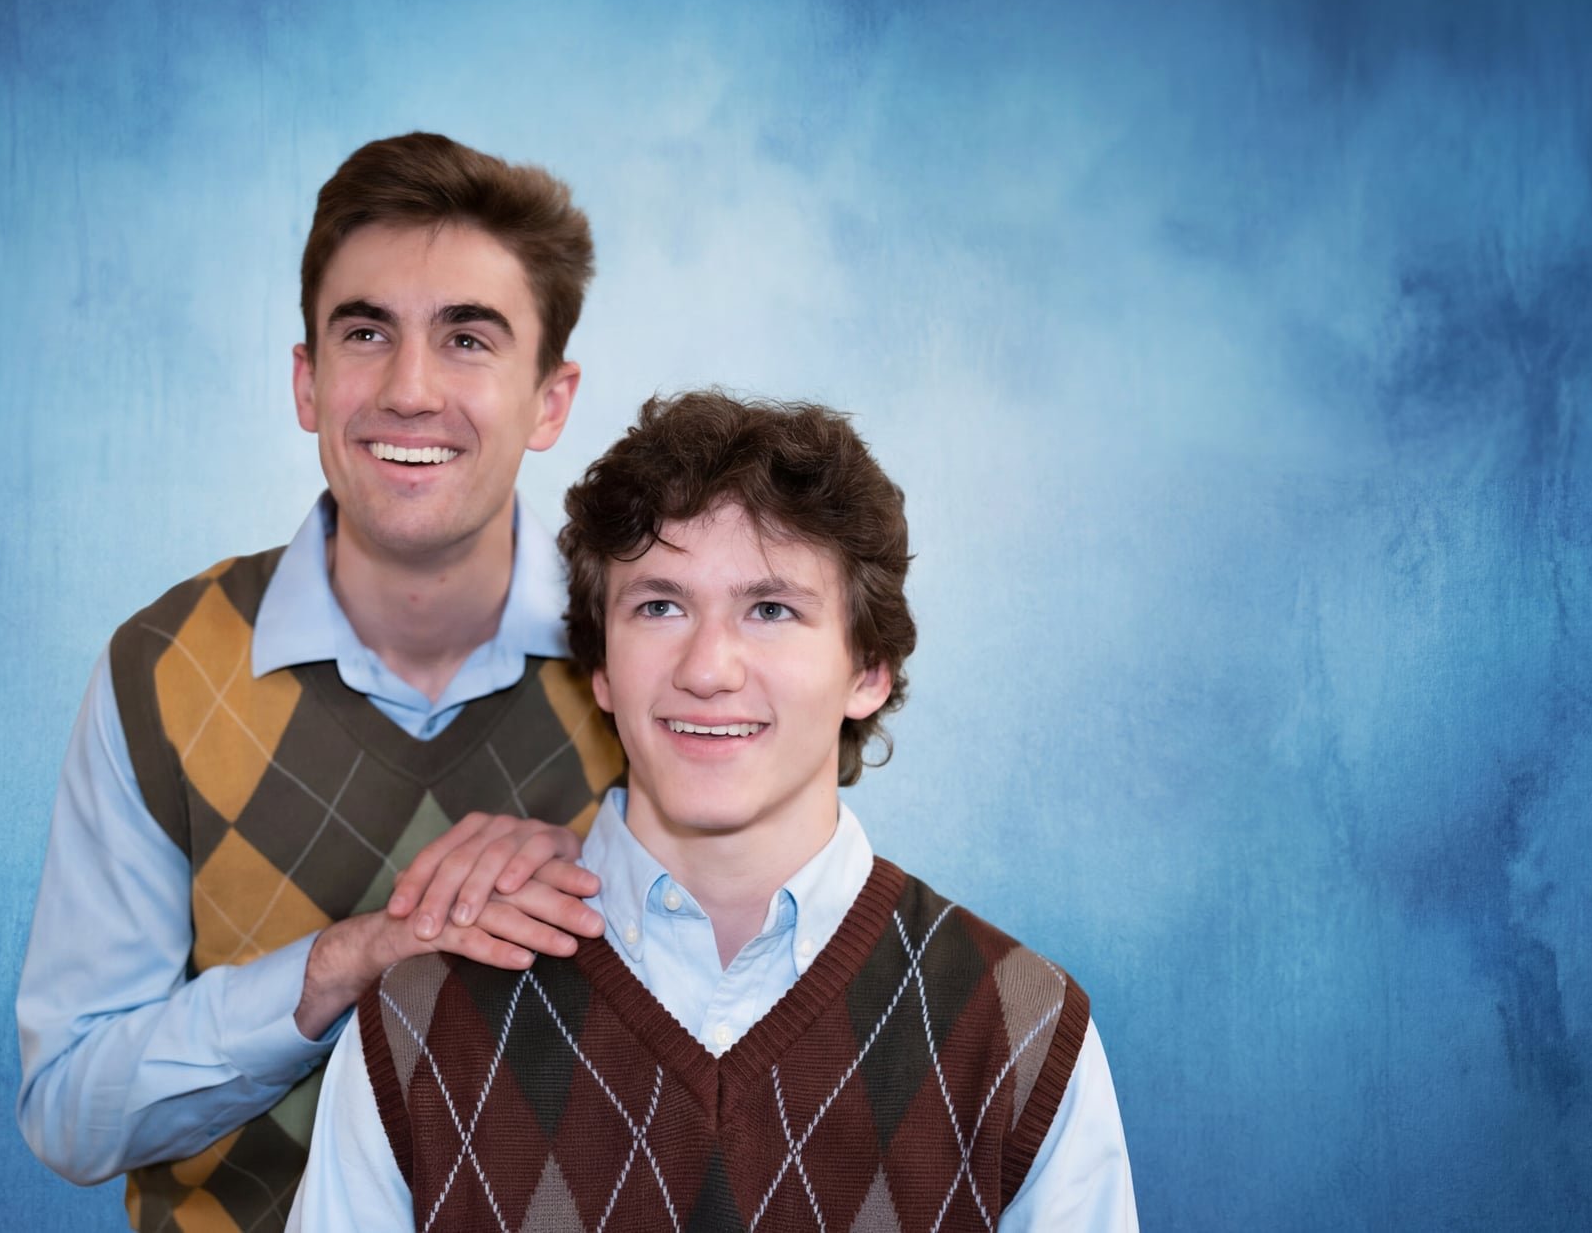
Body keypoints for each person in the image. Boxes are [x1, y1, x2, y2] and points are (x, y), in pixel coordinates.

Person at [290, 391, 1138, 1231]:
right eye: (659, 606)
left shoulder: (1019, 1028)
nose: (707, 669)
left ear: (867, 671)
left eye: (771, 610)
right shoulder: (420, 1021)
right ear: (602, 668)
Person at [17, 133, 627, 1230]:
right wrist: (340, 966)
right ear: (308, 381)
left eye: (468, 339)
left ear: (550, 400)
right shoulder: (164, 668)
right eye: (366, 333)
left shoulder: (655, 659)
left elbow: (755, 1003)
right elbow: (69, 1110)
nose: (409, 389)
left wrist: (611, 877)